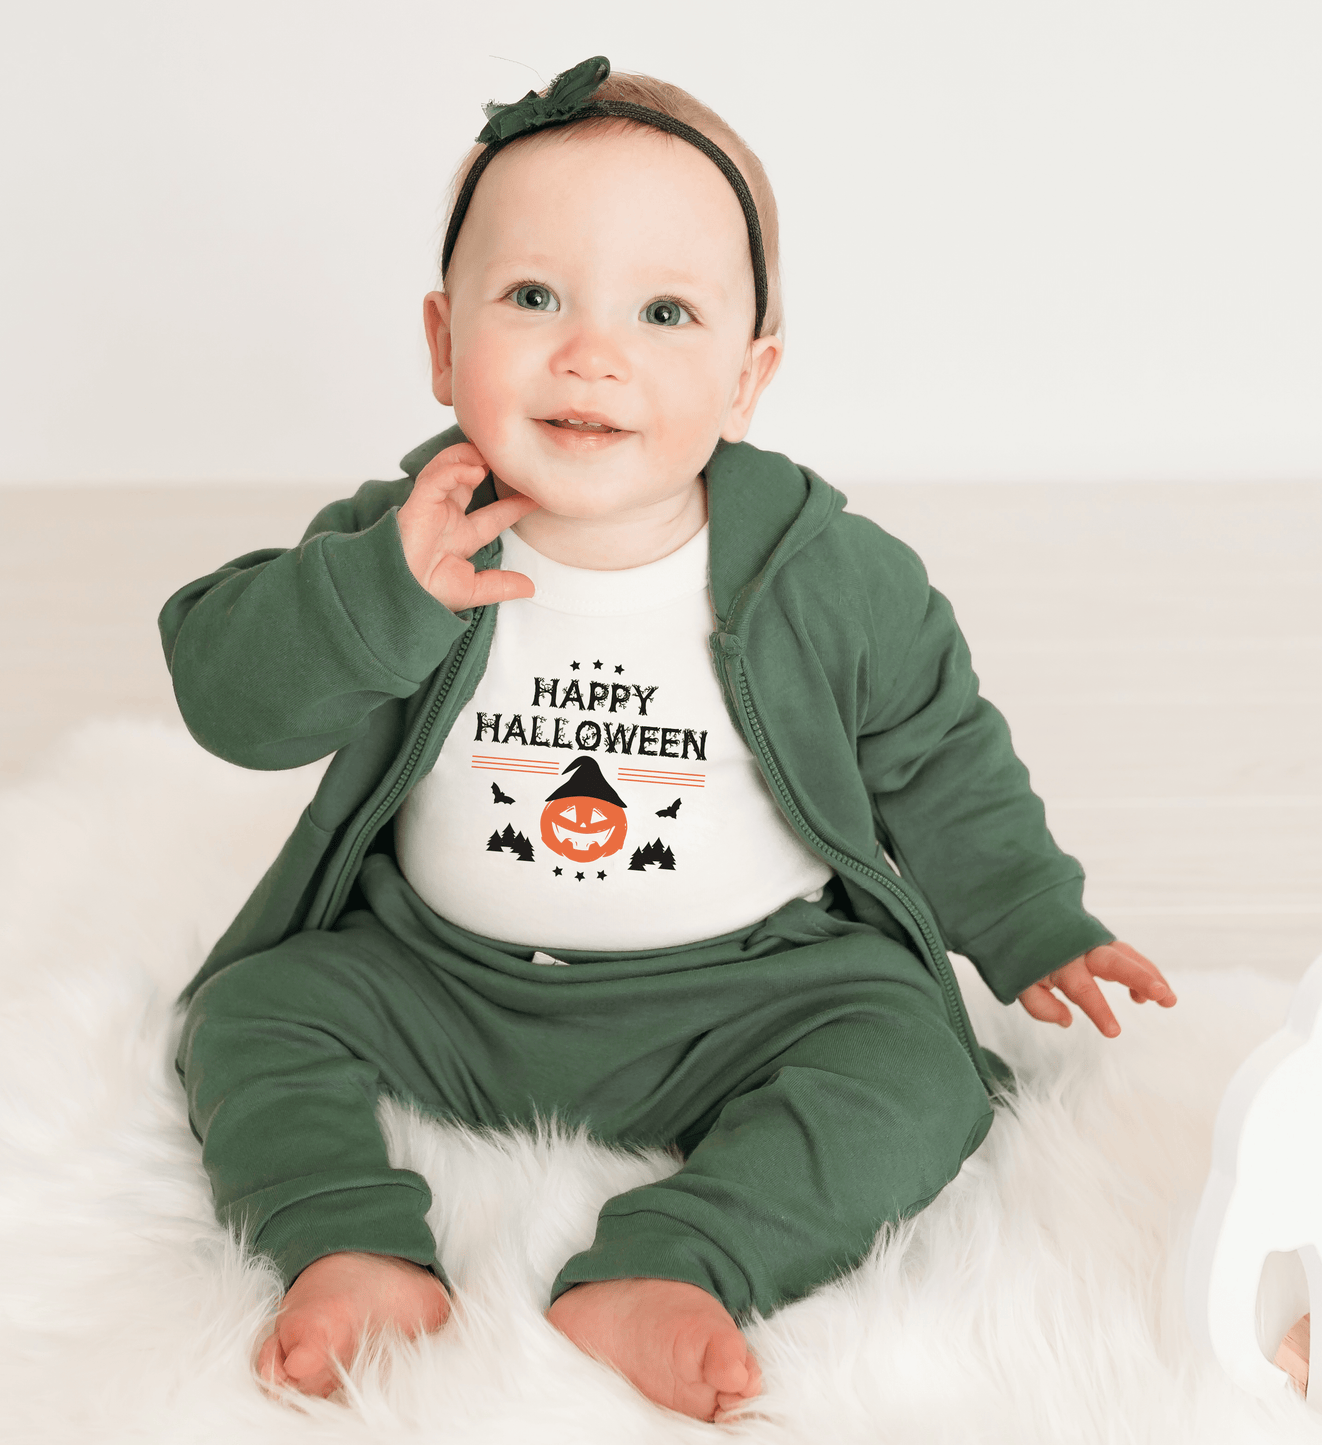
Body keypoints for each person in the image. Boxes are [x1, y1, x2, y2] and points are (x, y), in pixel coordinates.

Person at [160, 57, 1178, 1423]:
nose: (593, 353)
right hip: (444, 979)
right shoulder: (407, 536)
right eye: (534, 298)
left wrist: (1031, 919)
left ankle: (678, 1261)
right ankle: (349, 1244)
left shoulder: (829, 575)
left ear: (748, 380)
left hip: (744, 993)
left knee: (915, 1073)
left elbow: (937, 756)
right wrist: (375, 596)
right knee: (253, 1013)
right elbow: (230, 700)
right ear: (442, 343)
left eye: (664, 312)